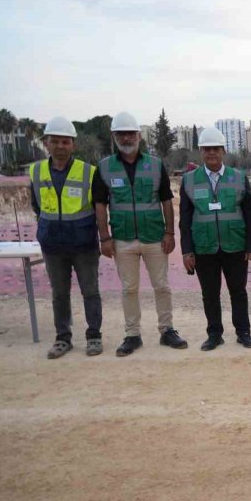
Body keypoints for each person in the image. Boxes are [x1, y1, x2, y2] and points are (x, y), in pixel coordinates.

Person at [96, 112, 188, 357]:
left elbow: (166, 200)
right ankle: (132, 335)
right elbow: (100, 204)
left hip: (154, 237)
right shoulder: (104, 168)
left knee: (162, 286)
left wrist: (170, 232)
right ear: (114, 137)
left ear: (138, 135)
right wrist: (104, 237)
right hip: (122, 239)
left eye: (130, 133)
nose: (126, 138)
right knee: (129, 289)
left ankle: (167, 330)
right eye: (121, 134)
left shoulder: (155, 165)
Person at [29, 116, 105, 359]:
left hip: (84, 244)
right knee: (59, 293)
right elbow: (36, 205)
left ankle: (94, 336)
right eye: (55, 141)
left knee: (90, 291)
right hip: (53, 245)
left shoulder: (89, 172)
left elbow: (99, 206)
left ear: (73, 144)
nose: (60, 146)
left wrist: (103, 236)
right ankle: (63, 338)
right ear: (46, 143)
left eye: (65, 141)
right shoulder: (36, 171)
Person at [179, 127, 251, 351]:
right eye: (207, 149)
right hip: (204, 247)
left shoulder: (239, 177)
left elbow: (250, 215)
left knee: (238, 291)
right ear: (201, 152)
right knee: (210, 294)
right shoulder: (189, 180)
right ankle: (214, 334)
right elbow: (184, 219)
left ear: (223, 150)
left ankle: (243, 333)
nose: (211, 153)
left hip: (235, 245)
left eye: (215, 148)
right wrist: (187, 250)